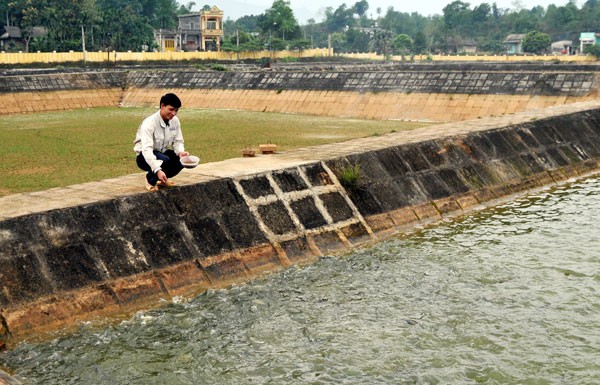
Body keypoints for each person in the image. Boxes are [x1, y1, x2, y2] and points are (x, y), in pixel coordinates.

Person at [133, 93, 189, 192]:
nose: (174, 113)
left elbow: (178, 141)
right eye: (171, 109)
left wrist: (181, 152)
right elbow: (147, 150)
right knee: (165, 160)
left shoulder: (175, 121)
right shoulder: (149, 123)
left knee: (181, 161)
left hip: (161, 153)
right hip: (144, 156)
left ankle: (162, 179)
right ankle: (150, 179)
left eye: (176, 110)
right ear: (162, 106)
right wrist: (157, 170)